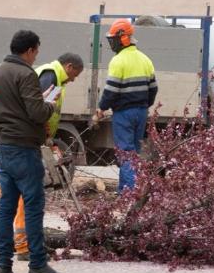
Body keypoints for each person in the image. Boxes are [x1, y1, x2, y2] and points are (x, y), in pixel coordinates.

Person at [0, 30, 68, 273]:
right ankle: (37, 265)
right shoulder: (26, 74)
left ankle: (3, 266)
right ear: (30, 50)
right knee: (34, 207)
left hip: (4, 147)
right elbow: (36, 112)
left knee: (6, 209)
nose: (36, 57)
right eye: (36, 52)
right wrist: (50, 105)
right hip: (24, 148)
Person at [9, 52, 84, 257]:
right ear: (69, 66)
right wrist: (44, 139)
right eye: (75, 74)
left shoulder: (54, 77)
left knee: (32, 193)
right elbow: (37, 109)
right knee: (31, 192)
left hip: (35, 138)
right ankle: (25, 244)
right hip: (31, 140)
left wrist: (49, 140)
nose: (74, 79)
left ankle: (29, 241)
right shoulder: (50, 76)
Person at [94, 19, 157, 192]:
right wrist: (144, 105)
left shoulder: (118, 61)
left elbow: (111, 90)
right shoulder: (146, 60)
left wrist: (101, 108)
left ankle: (130, 194)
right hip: (142, 112)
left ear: (123, 38)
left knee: (125, 154)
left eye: (113, 38)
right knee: (132, 154)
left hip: (123, 113)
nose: (112, 42)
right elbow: (153, 88)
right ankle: (123, 193)